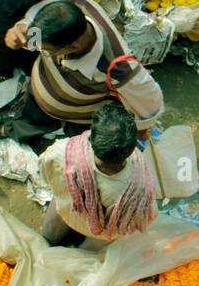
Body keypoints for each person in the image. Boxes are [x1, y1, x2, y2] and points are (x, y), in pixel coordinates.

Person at [0, 0, 164, 141]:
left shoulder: (121, 70)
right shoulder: (72, 3)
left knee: (75, 138)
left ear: (73, 47)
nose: (41, 50)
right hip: (42, 90)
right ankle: (26, 121)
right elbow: (34, 29)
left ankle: (22, 129)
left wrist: (141, 129)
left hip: (77, 115)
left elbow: (150, 105)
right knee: (34, 111)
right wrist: (20, 31)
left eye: (49, 50)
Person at [38, 102, 158, 248]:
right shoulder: (140, 188)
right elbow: (148, 216)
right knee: (87, 254)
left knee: (47, 240)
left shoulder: (61, 153)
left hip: (67, 212)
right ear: (132, 148)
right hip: (99, 232)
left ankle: (46, 244)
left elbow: (45, 174)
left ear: (93, 136)